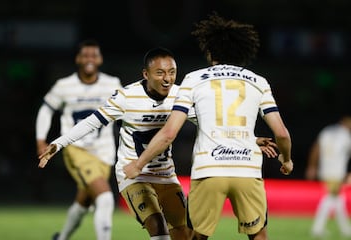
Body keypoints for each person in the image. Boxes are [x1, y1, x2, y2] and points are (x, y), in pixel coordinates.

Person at [123, 12, 294, 240]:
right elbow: (281, 133)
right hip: (247, 169)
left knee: (197, 237)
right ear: (242, 52)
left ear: (210, 52)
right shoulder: (258, 81)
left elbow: (169, 133)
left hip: (208, 168)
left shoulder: (194, 79)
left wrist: (138, 164)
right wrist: (287, 159)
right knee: (259, 235)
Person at [38, 47, 192, 240]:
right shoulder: (126, 97)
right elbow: (91, 122)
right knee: (158, 227)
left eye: (172, 72)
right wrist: (59, 144)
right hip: (134, 175)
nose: (167, 78)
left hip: (166, 175)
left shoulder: (181, 96)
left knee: (183, 234)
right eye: (160, 73)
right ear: (146, 74)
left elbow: (207, 121)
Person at [35, 39, 122, 240]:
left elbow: (123, 114)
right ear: (78, 59)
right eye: (85, 55)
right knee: (105, 197)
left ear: (100, 59)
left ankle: (62, 237)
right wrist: (41, 139)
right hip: (77, 150)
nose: (89, 59)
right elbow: (46, 110)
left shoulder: (112, 84)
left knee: (85, 199)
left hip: (104, 153)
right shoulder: (64, 86)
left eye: (94, 55)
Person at [305, 115, 351, 237]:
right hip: (337, 171)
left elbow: (316, 148)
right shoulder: (345, 135)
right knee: (331, 197)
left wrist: (312, 167)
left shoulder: (327, 131)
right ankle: (317, 228)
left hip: (325, 170)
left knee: (337, 199)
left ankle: (345, 229)